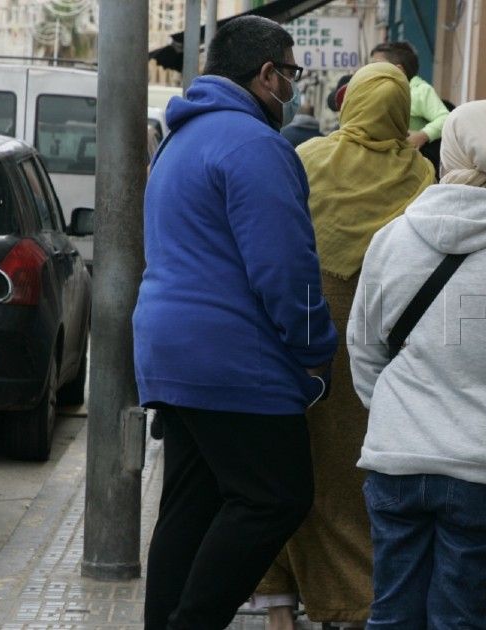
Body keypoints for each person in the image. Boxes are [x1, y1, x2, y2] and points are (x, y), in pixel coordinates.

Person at [134, 16, 337, 630]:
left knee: (190, 507)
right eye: (293, 74)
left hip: (173, 353)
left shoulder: (182, 138)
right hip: (232, 358)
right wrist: (313, 347)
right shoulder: (254, 145)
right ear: (267, 74)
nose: (296, 89)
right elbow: (287, 266)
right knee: (276, 496)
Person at [346, 97, 486, 629]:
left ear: (445, 156)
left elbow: (363, 348)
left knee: (393, 614)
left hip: (397, 461)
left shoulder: (392, 240)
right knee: (466, 619)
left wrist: (400, 415)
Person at [255, 61, 435, 629]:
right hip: (377, 350)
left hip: (303, 335)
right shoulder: (422, 176)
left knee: (286, 465)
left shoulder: (308, 160)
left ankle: (277, 601)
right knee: (352, 476)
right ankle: (353, 602)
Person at [370, 42, 449, 151]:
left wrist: (422, 135)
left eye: (376, 65)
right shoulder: (376, 91)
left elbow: (445, 118)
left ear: (399, 70)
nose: (369, 71)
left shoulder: (420, 91)